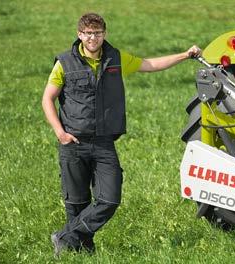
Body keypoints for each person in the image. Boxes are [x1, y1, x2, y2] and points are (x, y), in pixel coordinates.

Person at [41, 12, 201, 257]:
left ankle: (63, 237)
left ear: (104, 34)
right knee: (76, 202)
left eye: (97, 33)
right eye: (88, 33)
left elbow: (150, 64)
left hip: (104, 142)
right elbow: (47, 99)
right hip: (73, 142)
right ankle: (80, 252)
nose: (93, 38)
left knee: (109, 199)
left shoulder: (115, 58)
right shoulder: (64, 63)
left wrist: (184, 55)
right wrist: (60, 133)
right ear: (79, 35)